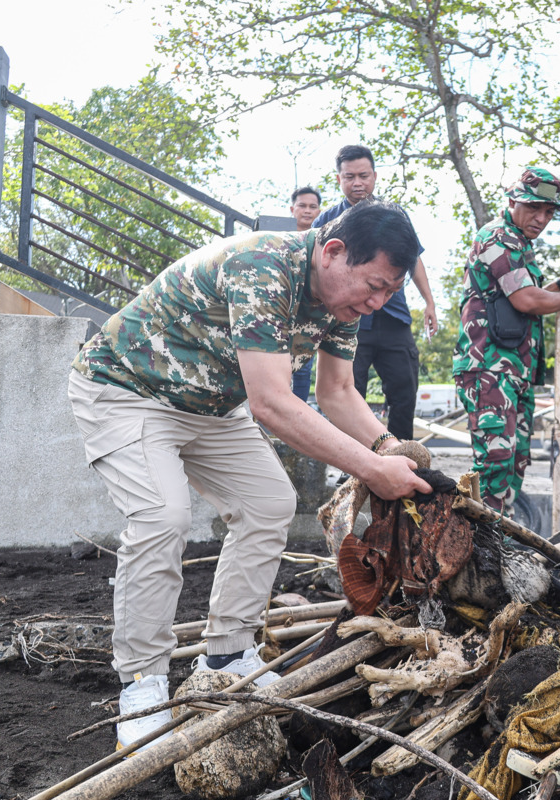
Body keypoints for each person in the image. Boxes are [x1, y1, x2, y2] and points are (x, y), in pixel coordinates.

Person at [67, 201, 432, 753]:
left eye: (388, 292)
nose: (377, 303)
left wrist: (389, 448)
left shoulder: (345, 303)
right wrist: (373, 471)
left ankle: (229, 654)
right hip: (127, 389)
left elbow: (337, 392)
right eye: (374, 285)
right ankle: (141, 683)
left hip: (209, 405)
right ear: (333, 252)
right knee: (163, 515)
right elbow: (270, 402)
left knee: (269, 503)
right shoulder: (263, 266)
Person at [451, 167, 560, 514]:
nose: (541, 218)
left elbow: (527, 296)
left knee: (515, 462)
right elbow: (526, 300)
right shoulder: (498, 237)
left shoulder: (520, 245)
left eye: (548, 212)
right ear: (513, 200)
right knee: (495, 463)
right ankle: (479, 544)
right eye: (533, 208)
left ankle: (498, 538)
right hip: (488, 368)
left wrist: (559, 289)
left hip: (513, 371)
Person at [292, 145, 438, 440]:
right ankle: (353, 465)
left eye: (363, 175)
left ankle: (401, 455)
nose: (357, 183)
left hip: (393, 319)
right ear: (339, 180)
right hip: (347, 320)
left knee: (404, 389)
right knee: (347, 388)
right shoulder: (328, 221)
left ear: (374, 176)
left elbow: (414, 260)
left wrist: (429, 302)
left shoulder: (394, 216)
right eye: (349, 177)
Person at [289, 186, 323, 402]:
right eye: (302, 205)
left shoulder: (323, 241)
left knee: (303, 370)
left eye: (313, 206)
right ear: (292, 209)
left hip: (307, 315)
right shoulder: (279, 237)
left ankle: (293, 431)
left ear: (319, 211)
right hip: (279, 310)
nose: (307, 211)